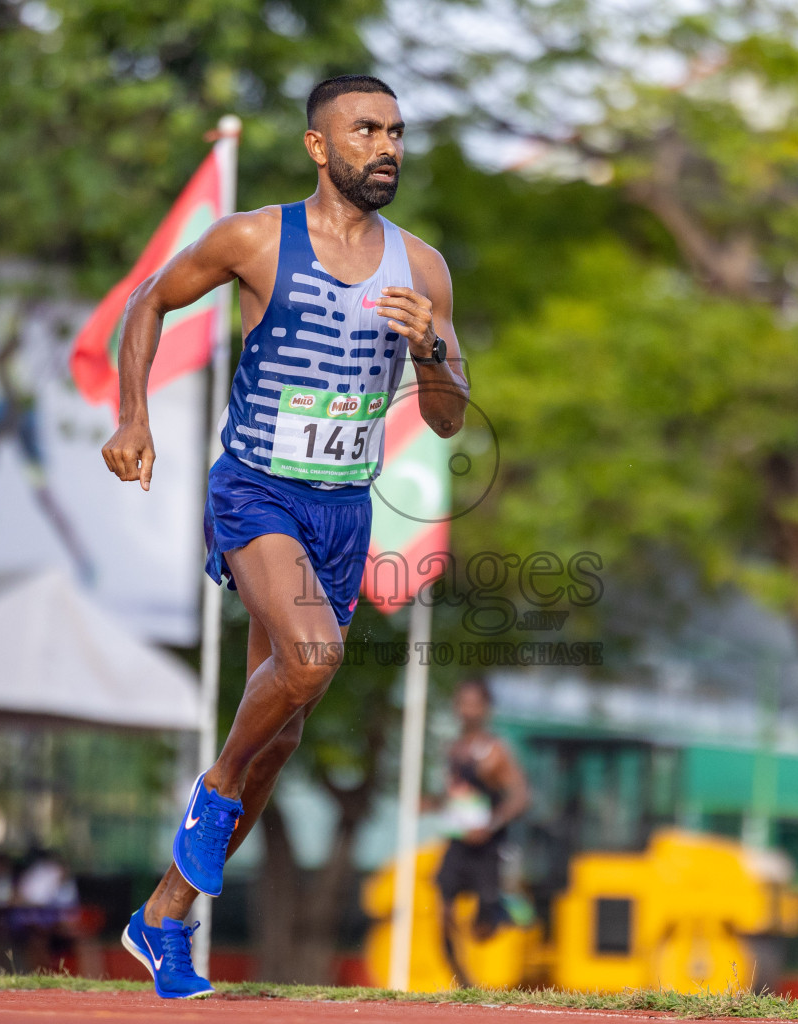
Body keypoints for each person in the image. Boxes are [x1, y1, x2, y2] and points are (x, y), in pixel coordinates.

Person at [100, 74, 469, 999]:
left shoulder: (423, 268)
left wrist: (429, 346)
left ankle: (161, 916)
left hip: (345, 509)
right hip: (258, 489)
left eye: (395, 131)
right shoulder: (257, 237)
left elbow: (453, 415)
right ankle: (212, 791)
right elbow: (146, 302)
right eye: (365, 130)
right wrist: (132, 418)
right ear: (318, 145)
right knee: (311, 658)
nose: (386, 146)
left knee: (284, 736)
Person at [433, 678, 529, 985]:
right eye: (463, 703)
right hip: (458, 843)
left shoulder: (494, 752)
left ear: (486, 709)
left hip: (487, 847)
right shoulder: (452, 750)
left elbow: (521, 797)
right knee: (442, 905)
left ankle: (499, 913)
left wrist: (490, 826)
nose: (468, 711)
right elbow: (456, 797)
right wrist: (434, 805)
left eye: (475, 704)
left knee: (483, 927)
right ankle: (462, 980)